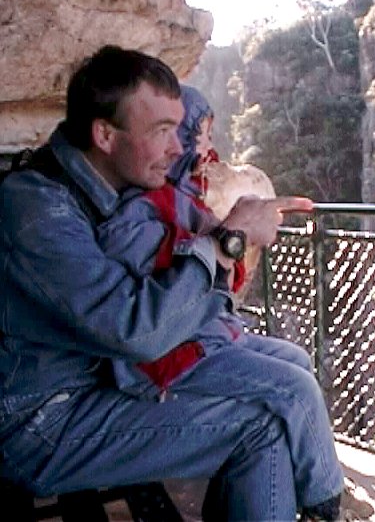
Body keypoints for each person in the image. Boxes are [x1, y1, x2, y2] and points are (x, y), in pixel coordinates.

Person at [0, 45, 346, 521]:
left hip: (100, 381)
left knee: (288, 372)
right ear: (105, 135)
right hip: (42, 421)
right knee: (260, 425)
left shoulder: (108, 186)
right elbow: (137, 332)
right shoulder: (38, 210)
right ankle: (323, 509)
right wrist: (227, 242)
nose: (178, 148)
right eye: (162, 131)